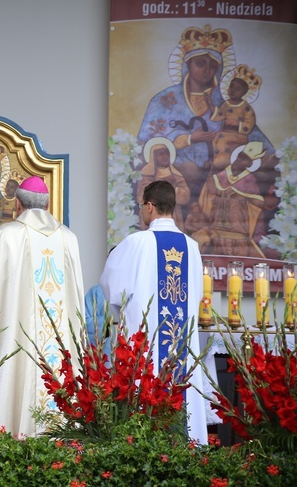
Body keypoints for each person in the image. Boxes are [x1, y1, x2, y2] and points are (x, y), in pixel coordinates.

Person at [100, 180, 208, 444]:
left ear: (149, 206)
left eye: (142, 206)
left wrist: (122, 311)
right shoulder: (192, 247)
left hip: (145, 342)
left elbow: (112, 289)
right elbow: (195, 294)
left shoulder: (136, 243)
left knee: (143, 399)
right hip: (181, 338)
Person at [0, 176, 85, 437]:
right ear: (47, 205)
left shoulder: (4, 237)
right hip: (60, 354)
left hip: (18, 346)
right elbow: (78, 297)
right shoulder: (69, 239)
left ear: (19, 205)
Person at [136, 25, 274, 206]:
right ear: (188, 65)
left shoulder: (226, 106)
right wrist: (189, 139)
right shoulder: (163, 101)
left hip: (217, 181)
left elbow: (256, 140)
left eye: (213, 65)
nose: (208, 70)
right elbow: (147, 144)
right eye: (200, 63)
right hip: (176, 181)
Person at [192, 142, 267, 258]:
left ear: (250, 164)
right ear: (237, 156)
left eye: (247, 161)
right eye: (242, 158)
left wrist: (241, 196)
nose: (242, 162)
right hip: (216, 232)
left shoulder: (249, 180)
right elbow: (207, 194)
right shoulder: (218, 178)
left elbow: (259, 202)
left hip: (238, 233)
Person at [209, 64, 262, 172]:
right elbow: (219, 115)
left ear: (244, 92)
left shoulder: (246, 108)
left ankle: (223, 167)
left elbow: (249, 125)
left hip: (237, 137)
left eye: (237, 89)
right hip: (223, 133)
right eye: (231, 87)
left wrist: (235, 123)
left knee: (224, 144)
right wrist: (208, 102)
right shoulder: (226, 104)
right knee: (214, 141)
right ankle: (214, 166)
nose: (232, 91)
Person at [135, 137, 191, 231]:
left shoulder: (176, 175)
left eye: (167, 153)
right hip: (151, 218)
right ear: (153, 157)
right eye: (161, 154)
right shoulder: (147, 175)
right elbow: (141, 197)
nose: (165, 156)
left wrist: (173, 187)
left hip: (174, 216)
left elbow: (186, 196)